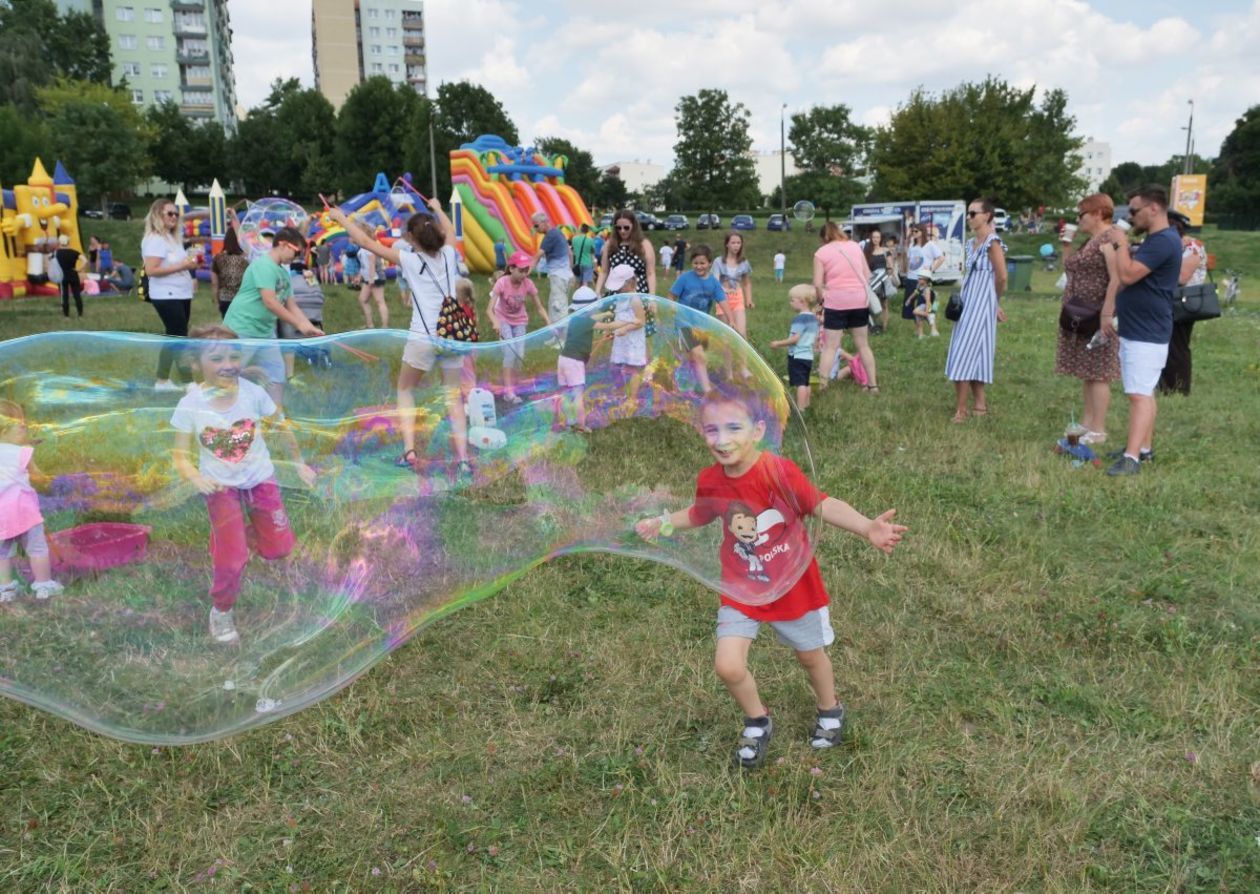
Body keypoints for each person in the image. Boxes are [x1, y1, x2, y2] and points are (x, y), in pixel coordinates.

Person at [634, 386, 906, 768]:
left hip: (792, 584)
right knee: (728, 665)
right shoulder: (711, 480)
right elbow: (699, 514)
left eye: (733, 428)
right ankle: (757, 720)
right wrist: (663, 522)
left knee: (810, 656)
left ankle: (830, 709)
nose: (722, 440)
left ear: (758, 430)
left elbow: (820, 503)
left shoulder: (778, 471)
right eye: (712, 430)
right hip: (741, 587)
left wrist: (867, 527)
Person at [171, 325, 316, 644]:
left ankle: (235, 535)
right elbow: (180, 455)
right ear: (196, 364)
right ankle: (221, 611)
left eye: (234, 355)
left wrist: (298, 461)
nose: (228, 363)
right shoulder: (190, 405)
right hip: (221, 488)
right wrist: (195, 476)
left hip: (261, 479)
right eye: (217, 357)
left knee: (280, 548)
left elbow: (280, 427)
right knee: (233, 559)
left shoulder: (253, 393)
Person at [331, 199, 473, 477]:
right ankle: (464, 460)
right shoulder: (448, 253)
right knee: (452, 398)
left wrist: (341, 218)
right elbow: (452, 230)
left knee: (405, 389)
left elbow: (364, 241)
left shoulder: (409, 259)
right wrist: (437, 207)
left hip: (424, 337)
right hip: (453, 335)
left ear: (410, 238)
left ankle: (409, 453)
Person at [1100, 186, 1181, 476]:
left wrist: (1121, 244)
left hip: (1147, 331)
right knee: (1143, 391)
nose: (1131, 217)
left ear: (1154, 209)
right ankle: (1143, 450)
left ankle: (1131, 458)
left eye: (1134, 211)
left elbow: (1129, 274)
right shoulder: (1156, 239)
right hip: (1142, 328)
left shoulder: (1162, 241)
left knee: (1139, 395)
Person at [222, 227, 324, 407]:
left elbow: (291, 305)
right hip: (242, 329)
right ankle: (221, 413)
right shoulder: (263, 266)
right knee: (229, 374)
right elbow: (270, 301)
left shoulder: (284, 274)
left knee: (276, 374)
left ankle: (275, 417)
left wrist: (310, 327)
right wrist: (299, 325)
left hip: (265, 333)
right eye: (297, 251)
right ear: (283, 244)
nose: (298, 256)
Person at [1054, 193, 1121, 444]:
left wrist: (1107, 313)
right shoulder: (1091, 240)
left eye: (1082, 214)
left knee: (1099, 372)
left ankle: (1099, 429)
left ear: (1098, 213)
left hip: (1097, 314)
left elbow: (1116, 278)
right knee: (1087, 371)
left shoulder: (1109, 239)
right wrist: (1067, 246)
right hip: (1080, 314)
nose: (1078, 219)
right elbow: (1070, 269)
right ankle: (1087, 423)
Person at [945, 198, 1007, 422]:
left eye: (973, 213)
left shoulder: (993, 242)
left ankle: (961, 410)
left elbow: (1001, 276)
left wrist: (994, 301)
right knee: (976, 353)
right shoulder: (971, 243)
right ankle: (980, 405)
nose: (970, 218)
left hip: (981, 306)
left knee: (962, 353)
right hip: (967, 304)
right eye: (968, 214)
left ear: (987, 215)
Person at [0, 400, 65, 602]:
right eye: (19, 422)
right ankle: (44, 586)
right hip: (24, 511)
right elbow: (38, 477)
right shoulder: (22, 452)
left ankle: (5, 590)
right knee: (37, 548)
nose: (24, 425)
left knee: (3, 552)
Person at [814, 221, 878, 394]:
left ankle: (823, 385)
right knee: (863, 345)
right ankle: (873, 385)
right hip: (859, 299)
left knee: (830, 347)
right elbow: (867, 275)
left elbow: (818, 284)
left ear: (824, 237)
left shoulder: (821, 253)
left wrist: (821, 300)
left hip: (836, 301)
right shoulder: (855, 247)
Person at [142, 198, 199, 392]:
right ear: (158, 215)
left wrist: (190, 264)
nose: (174, 217)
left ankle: (162, 381)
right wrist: (183, 265)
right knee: (180, 337)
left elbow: (176, 264)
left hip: (181, 293)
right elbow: (151, 270)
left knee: (173, 336)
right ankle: (188, 382)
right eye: (170, 213)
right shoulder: (155, 240)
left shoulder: (172, 238)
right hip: (166, 295)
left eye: (176, 214)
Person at [488, 250, 551, 404]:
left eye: (526, 270)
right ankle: (508, 392)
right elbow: (489, 309)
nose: (524, 274)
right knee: (510, 353)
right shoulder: (502, 282)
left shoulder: (528, 284)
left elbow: (539, 307)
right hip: (503, 319)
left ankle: (512, 385)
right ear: (511, 269)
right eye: (521, 271)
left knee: (519, 354)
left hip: (520, 321)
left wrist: (549, 322)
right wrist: (495, 322)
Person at [1158, 210, 1207, 396]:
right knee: (1167, 344)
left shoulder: (1192, 246)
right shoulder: (1174, 245)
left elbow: (1182, 277)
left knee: (1177, 346)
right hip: (1168, 301)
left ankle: (1177, 387)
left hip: (1183, 303)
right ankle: (1164, 384)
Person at [669, 244, 727, 393]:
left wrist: (730, 319)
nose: (699, 266)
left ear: (709, 263)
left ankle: (686, 385)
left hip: (702, 326)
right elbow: (672, 295)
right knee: (699, 354)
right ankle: (708, 390)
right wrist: (671, 305)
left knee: (692, 358)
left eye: (702, 263)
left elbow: (723, 300)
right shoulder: (684, 278)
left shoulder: (713, 282)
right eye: (695, 263)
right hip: (684, 324)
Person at [552, 285, 601, 433]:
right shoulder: (587, 321)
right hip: (574, 362)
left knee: (566, 393)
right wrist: (625, 324)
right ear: (590, 308)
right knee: (578, 394)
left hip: (563, 359)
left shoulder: (574, 319)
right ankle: (581, 425)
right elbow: (607, 325)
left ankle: (565, 421)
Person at [769, 284, 820, 411]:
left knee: (800, 384)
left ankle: (800, 408)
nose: (790, 303)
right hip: (808, 356)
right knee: (806, 381)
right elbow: (815, 338)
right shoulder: (813, 318)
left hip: (797, 355)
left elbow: (795, 339)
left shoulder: (799, 319)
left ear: (802, 301)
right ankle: (806, 404)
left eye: (792, 300)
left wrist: (778, 343)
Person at [596, 263, 647, 386]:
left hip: (632, 339)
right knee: (615, 365)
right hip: (621, 338)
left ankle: (632, 398)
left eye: (620, 286)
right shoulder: (621, 297)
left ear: (630, 283)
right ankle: (620, 389)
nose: (618, 289)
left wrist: (626, 329)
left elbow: (641, 321)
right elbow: (620, 317)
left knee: (632, 368)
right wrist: (611, 331)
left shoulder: (635, 299)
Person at [282, 262, 330, 373]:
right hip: (314, 311)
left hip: (298, 308)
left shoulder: (289, 278)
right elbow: (318, 292)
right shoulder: (311, 279)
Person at [533, 212, 573, 328]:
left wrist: (526, 272)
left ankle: (562, 337)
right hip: (564, 275)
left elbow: (537, 256)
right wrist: (570, 272)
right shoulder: (559, 233)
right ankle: (555, 334)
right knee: (553, 305)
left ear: (544, 222)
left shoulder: (550, 236)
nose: (536, 229)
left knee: (559, 306)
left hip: (558, 276)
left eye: (536, 225)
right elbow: (570, 253)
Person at [714, 232, 754, 343]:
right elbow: (715, 283)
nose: (736, 245)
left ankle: (743, 361)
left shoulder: (744, 262)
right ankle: (728, 361)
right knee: (726, 336)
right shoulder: (718, 262)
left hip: (738, 299)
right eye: (733, 243)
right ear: (727, 244)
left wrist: (749, 299)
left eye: (738, 243)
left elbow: (746, 283)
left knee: (741, 334)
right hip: (722, 300)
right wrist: (725, 290)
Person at [210, 226, 249, 319]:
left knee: (227, 328)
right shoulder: (247, 259)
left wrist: (216, 301)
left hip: (224, 299)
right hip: (242, 300)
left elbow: (214, 283)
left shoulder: (218, 258)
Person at [863, 229, 896, 333]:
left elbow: (891, 266)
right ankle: (873, 325)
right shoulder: (867, 252)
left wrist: (889, 273)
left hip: (883, 280)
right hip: (872, 280)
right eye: (874, 237)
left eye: (878, 237)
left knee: (884, 304)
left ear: (880, 239)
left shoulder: (886, 251)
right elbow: (865, 267)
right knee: (871, 303)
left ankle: (884, 327)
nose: (876, 239)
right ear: (871, 238)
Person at [357, 239, 389, 328]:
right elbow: (363, 265)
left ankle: (385, 326)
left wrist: (371, 279)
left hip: (375, 277)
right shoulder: (361, 248)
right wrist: (359, 276)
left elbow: (372, 264)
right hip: (368, 278)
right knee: (363, 299)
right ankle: (369, 324)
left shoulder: (370, 247)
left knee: (379, 301)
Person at [54, 234, 84, 318]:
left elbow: (51, 263)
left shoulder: (56, 253)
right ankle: (80, 314)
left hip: (62, 276)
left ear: (59, 243)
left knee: (64, 296)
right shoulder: (74, 252)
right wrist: (79, 269)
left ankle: (66, 315)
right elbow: (85, 260)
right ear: (68, 242)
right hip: (73, 274)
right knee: (77, 294)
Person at [903, 272, 937, 339]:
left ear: (925, 280)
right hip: (921, 305)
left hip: (927, 305)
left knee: (916, 312)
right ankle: (921, 335)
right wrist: (909, 299)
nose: (918, 280)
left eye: (920, 279)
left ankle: (933, 330)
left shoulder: (927, 289)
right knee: (919, 320)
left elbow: (928, 301)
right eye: (918, 278)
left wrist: (926, 312)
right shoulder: (919, 287)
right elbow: (915, 293)